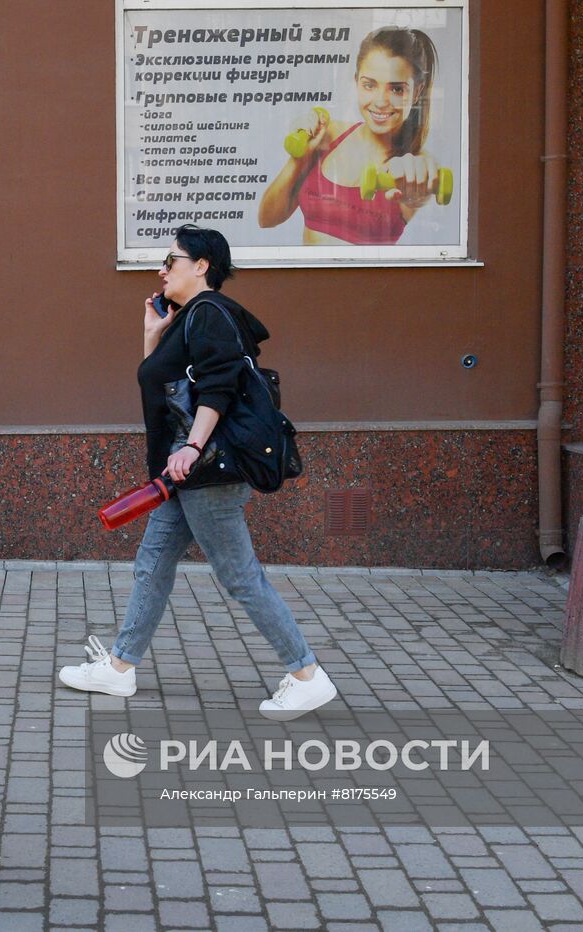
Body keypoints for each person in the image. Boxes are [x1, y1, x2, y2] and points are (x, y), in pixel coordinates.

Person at [58, 224, 338, 720]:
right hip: (186, 473)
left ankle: (306, 674)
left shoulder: (209, 314)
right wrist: (152, 335)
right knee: (153, 563)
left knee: (239, 577)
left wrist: (191, 445)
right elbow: (160, 387)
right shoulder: (188, 321)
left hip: (204, 472)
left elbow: (220, 387)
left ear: (201, 266)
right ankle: (120, 668)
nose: (161, 270)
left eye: (171, 260)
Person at [258, 27, 441, 245]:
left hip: (366, 281)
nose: (381, 101)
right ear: (356, 82)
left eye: (397, 89)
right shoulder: (330, 134)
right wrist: (300, 158)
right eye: (369, 85)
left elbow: (421, 183)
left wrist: (418, 189)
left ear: (417, 91)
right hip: (307, 279)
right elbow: (266, 219)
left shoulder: (414, 164)